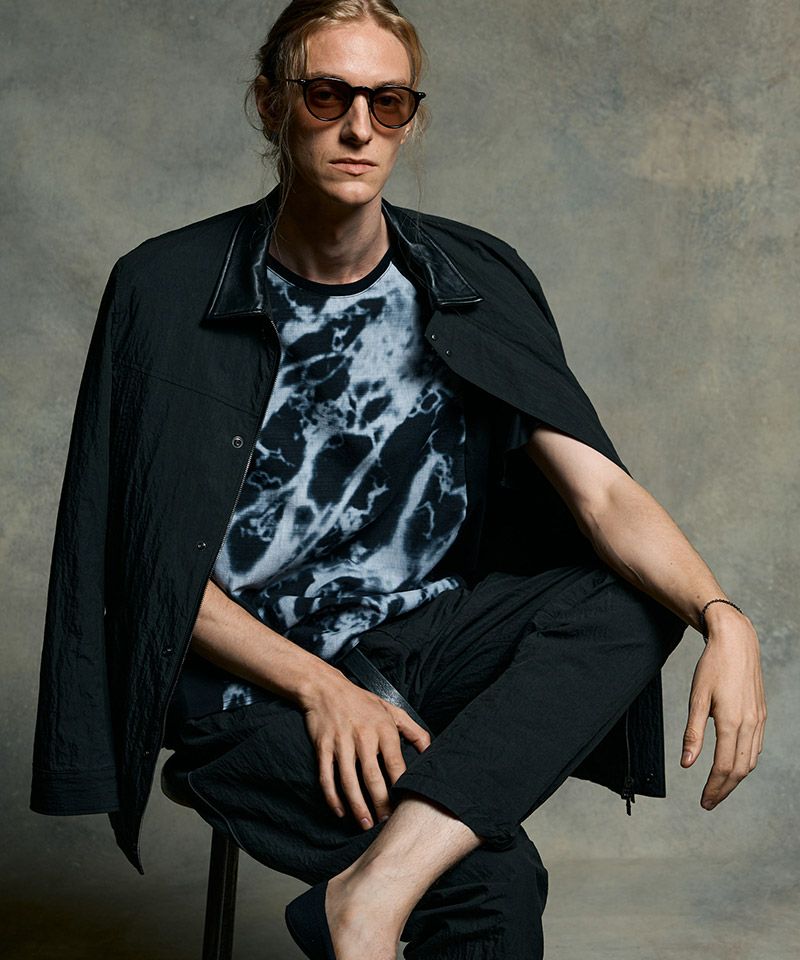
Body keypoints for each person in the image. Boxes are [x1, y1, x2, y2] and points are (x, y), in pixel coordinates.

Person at [30, 2, 767, 958]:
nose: (358, 127)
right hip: (248, 687)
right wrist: (318, 686)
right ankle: (380, 889)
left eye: (388, 101)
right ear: (271, 105)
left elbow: (604, 495)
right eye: (326, 95)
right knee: (490, 883)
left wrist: (723, 617)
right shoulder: (164, 288)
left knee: (631, 598)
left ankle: (369, 892)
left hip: (415, 651)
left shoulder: (471, 276)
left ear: (410, 120)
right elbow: (144, 569)